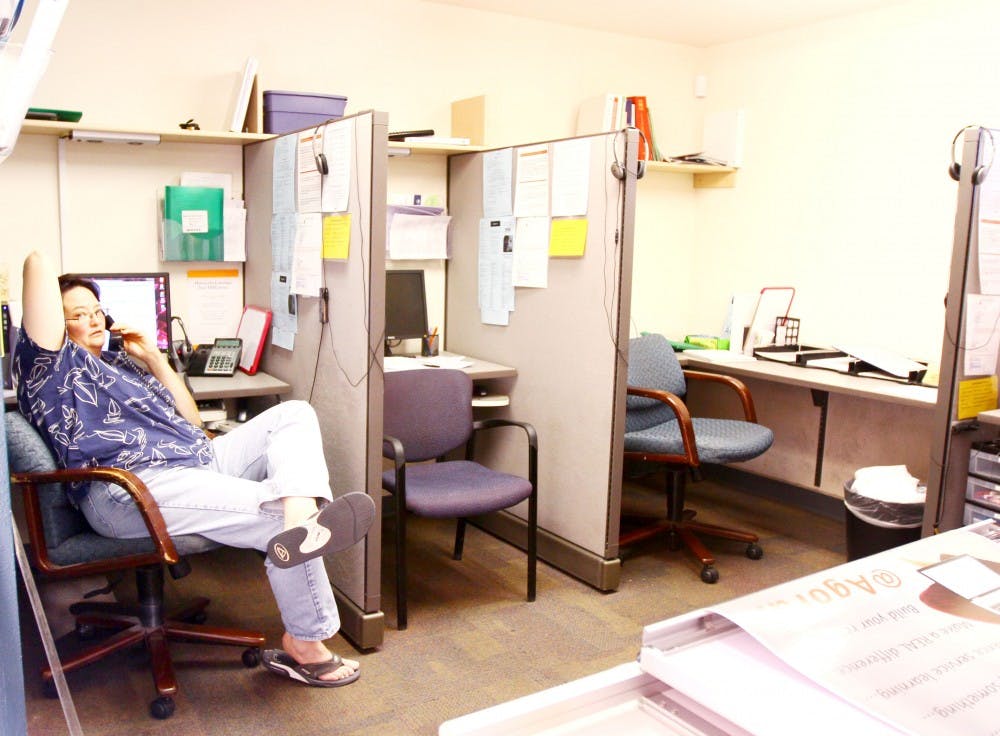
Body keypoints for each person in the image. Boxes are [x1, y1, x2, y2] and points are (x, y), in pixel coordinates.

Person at [12, 251, 375, 688]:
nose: (93, 320)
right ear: (54, 324)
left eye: (96, 311)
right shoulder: (48, 367)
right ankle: (305, 640)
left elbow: (192, 422)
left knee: (293, 413)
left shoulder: (119, 363)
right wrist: (53, 300)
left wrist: (154, 358)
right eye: (77, 315)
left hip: (195, 459)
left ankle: (299, 516)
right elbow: (36, 265)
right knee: (276, 517)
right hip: (130, 488)